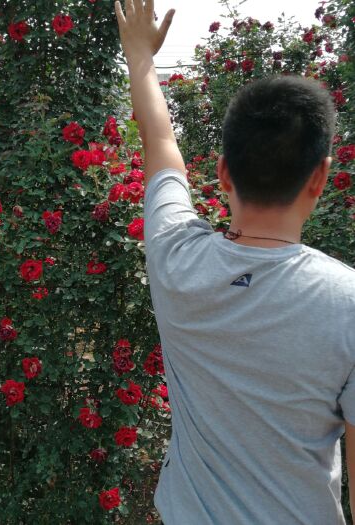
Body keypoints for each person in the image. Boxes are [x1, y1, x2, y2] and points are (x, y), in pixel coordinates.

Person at [114, 1, 355, 524]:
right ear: (321, 177)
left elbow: (160, 142)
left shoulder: (176, 257)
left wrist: (140, 59)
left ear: (223, 172)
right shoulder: (349, 304)